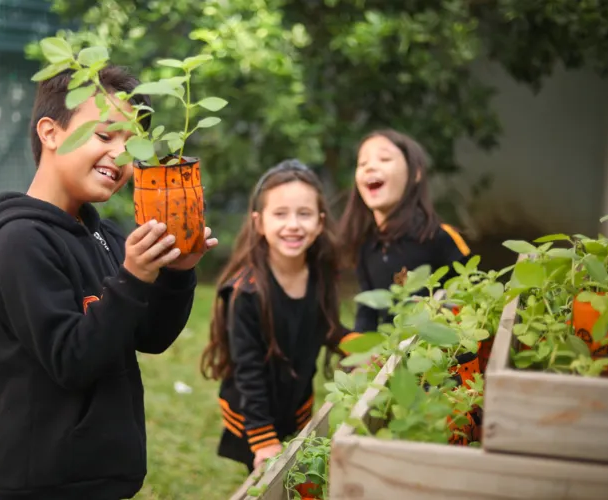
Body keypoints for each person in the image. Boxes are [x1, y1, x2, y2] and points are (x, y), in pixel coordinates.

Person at [0, 65, 217, 500]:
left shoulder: (105, 234)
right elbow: (70, 360)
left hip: (104, 472)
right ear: (51, 133)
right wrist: (131, 279)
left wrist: (177, 271)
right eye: (104, 135)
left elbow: (150, 337)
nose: (121, 155)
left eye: (131, 144)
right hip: (48, 480)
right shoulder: (19, 242)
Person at [200, 159, 356, 473]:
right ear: (259, 223)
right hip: (253, 413)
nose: (294, 225)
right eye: (280, 214)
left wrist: (362, 347)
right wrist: (263, 439)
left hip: (295, 404)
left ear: (320, 222)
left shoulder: (320, 274)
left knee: (299, 478)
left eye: (304, 213)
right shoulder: (247, 293)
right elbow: (248, 372)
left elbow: (324, 325)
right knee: (268, 485)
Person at [339, 128, 473, 335]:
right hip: (393, 360)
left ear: (416, 173)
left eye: (384, 159)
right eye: (362, 163)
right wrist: (359, 356)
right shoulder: (366, 247)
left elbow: (473, 299)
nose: (370, 167)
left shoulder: (440, 238)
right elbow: (368, 313)